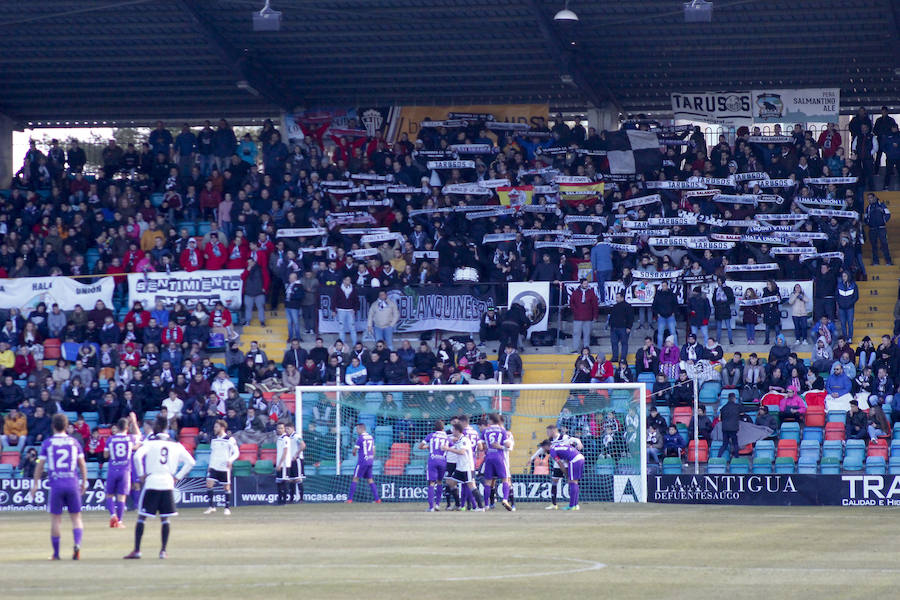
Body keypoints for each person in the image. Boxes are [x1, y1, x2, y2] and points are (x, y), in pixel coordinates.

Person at [124, 415, 195, 560]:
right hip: (168, 481)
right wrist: (177, 477)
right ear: (167, 428)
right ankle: (163, 551)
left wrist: (141, 474)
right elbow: (191, 462)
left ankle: (137, 550)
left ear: (156, 427)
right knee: (165, 518)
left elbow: (137, 457)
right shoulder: (176, 445)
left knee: (142, 517)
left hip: (152, 481)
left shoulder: (151, 443)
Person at [28, 413, 87, 561]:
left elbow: (39, 466)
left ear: (53, 426)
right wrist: (84, 481)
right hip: (72, 482)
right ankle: (77, 545)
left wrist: (35, 484)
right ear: (67, 426)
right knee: (76, 518)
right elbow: (82, 464)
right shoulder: (74, 442)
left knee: (56, 520)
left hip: (56, 484)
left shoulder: (48, 443)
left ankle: (56, 553)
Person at [103, 417, 136, 529]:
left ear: (117, 427)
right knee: (121, 497)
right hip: (125, 471)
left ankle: (113, 515)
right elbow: (137, 444)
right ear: (127, 427)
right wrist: (134, 422)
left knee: (109, 495)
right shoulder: (130, 439)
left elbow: (105, 455)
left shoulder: (110, 439)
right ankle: (120, 521)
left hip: (113, 470)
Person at [203, 419, 239, 516]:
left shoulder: (230, 439)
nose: (214, 429)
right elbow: (213, 454)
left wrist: (230, 460)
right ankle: (211, 507)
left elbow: (237, 453)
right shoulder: (213, 440)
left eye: (216, 427)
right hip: (214, 466)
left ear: (222, 428)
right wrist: (210, 465)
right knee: (209, 484)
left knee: (226, 487)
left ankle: (227, 508)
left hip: (224, 467)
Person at [446, 421, 485, 511]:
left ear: (457, 431)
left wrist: (448, 449)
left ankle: (480, 507)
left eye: (453, 430)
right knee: (451, 483)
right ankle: (458, 504)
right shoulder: (459, 440)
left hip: (467, 467)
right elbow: (456, 449)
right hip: (460, 468)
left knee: (472, 486)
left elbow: (462, 452)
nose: (452, 431)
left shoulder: (464, 440)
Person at [540, 434, 584, 511]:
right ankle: (575, 505)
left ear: (547, 446)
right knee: (575, 482)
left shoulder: (552, 451)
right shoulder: (557, 447)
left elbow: (560, 464)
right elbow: (566, 456)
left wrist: (566, 474)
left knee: (572, 482)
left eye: (543, 448)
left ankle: (572, 506)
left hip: (574, 460)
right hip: (579, 457)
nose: (543, 450)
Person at [480, 413, 513, 511]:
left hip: (489, 457)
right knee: (505, 479)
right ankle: (505, 499)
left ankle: (486, 505)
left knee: (488, 481)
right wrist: (500, 446)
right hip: (499, 456)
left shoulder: (485, 431)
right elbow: (507, 445)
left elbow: (482, 446)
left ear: (491, 420)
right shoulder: (502, 431)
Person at [418, 420, 449, 512]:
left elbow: (420, 446)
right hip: (443, 461)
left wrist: (427, 447)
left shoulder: (430, 435)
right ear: (443, 428)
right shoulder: (446, 437)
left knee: (431, 483)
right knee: (440, 482)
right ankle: (438, 505)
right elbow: (452, 447)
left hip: (433, 460)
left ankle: (431, 507)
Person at [347, 422, 381, 503]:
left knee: (355, 478)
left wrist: (354, 453)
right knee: (370, 479)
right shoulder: (371, 437)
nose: (356, 431)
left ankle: (349, 499)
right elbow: (374, 450)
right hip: (370, 461)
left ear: (361, 428)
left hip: (362, 461)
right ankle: (377, 499)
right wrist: (371, 457)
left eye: (357, 429)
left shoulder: (360, 438)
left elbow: (354, 450)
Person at [569, 279, 599, 353]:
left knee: (587, 334)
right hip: (578, 317)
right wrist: (575, 310)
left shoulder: (591, 293)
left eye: (587, 283)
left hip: (588, 317)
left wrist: (595, 316)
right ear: (581, 284)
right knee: (576, 334)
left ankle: (586, 349)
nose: (586, 285)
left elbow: (595, 305)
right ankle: (575, 349)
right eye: (585, 283)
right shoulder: (575, 292)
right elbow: (571, 303)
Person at [333, 276, 360, 346]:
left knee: (352, 328)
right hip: (341, 310)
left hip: (350, 310)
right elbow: (334, 299)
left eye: (349, 280)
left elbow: (356, 300)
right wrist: (333, 310)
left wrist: (355, 309)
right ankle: (342, 345)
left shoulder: (353, 289)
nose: (348, 281)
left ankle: (355, 344)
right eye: (347, 280)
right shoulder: (339, 289)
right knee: (341, 328)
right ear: (344, 281)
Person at [608, 291, 634, 363]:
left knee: (624, 343)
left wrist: (629, 327)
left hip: (623, 328)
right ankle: (615, 357)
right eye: (616, 297)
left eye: (618, 297)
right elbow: (611, 316)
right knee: (614, 343)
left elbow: (631, 317)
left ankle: (623, 358)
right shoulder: (615, 306)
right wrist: (610, 324)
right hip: (614, 328)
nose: (616, 299)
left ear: (622, 298)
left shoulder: (628, 306)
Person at [652, 280, 678, 348]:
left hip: (670, 316)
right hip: (661, 317)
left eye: (665, 286)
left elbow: (676, 304)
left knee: (673, 333)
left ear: (667, 286)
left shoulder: (672, 294)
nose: (664, 287)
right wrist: (657, 313)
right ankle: (660, 349)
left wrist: (673, 312)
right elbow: (654, 305)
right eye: (663, 286)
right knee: (660, 334)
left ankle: (676, 348)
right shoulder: (658, 295)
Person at [836, 270, 859, 342]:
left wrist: (850, 303)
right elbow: (836, 296)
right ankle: (845, 338)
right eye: (843, 276)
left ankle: (850, 338)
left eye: (845, 276)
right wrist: (840, 303)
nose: (843, 278)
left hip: (850, 308)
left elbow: (856, 297)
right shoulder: (839, 285)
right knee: (843, 323)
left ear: (848, 276)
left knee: (850, 323)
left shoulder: (853, 285)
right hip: (841, 308)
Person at [712, 278, 735, 345]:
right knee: (719, 327)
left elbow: (732, 298)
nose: (719, 282)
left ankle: (730, 340)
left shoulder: (728, 289)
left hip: (726, 309)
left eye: (720, 281)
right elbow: (713, 299)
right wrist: (716, 305)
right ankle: (718, 340)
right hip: (718, 309)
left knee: (728, 326)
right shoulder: (716, 289)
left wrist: (726, 304)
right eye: (718, 281)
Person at [717, 394, 741, 460]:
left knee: (724, 444)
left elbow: (721, 419)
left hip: (725, 428)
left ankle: (718, 457)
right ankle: (736, 458)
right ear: (734, 398)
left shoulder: (723, 408)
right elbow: (746, 409)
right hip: (733, 428)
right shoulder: (737, 407)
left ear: (728, 398)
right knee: (735, 443)